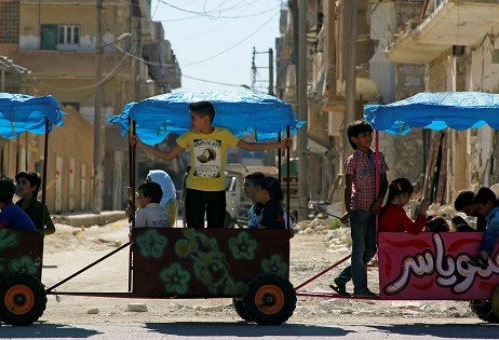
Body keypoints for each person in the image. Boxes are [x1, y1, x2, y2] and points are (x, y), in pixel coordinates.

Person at [130, 101, 291, 229]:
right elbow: (168, 156)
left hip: (217, 191)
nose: (190, 121)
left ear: (205, 119)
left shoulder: (223, 134)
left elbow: (249, 146)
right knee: (194, 231)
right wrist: (141, 144)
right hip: (194, 191)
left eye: (193, 118)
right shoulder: (189, 136)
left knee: (217, 231)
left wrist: (280, 145)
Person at [330, 120, 388, 298]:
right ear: (354, 139)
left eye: (369, 135)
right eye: (364, 136)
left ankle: (343, 277)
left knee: (371, 249)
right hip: (358, 209)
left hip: (373, 210)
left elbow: (384, 182)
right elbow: (348, 188)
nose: (369, 138)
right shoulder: (352, 160)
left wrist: (379, 201)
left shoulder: (379, 157)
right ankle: (360, 288)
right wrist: (348, 210)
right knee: (359, 250)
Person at [467, 187, 499, 269]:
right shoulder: (498, 215)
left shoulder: (497, 218)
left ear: (488, 204)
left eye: (480, 208)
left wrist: (483, 254)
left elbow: (491, 234)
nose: (479, 212)